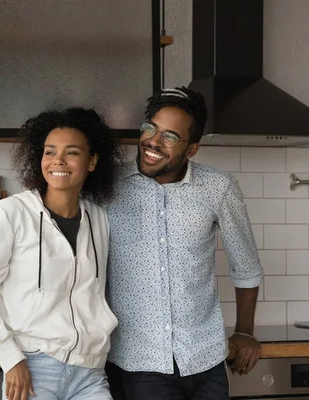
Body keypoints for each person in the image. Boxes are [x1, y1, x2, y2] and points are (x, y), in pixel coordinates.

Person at [105, 87, 263, 400]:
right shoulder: (107, 186)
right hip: (139, 364)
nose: (153, 141)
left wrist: (245, 331)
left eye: (170, 136)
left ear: (191, 150)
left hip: (207, 361)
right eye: (151, 128)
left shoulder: (219, 188)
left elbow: (246, 266)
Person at [0, 107, 124, 400]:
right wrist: (9, 356)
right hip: (33, 370)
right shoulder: (10, 213)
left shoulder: (100, 219)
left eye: (72, 152)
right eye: (50, 152)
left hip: (91, 373)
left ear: (92, 161)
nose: (58, 161)